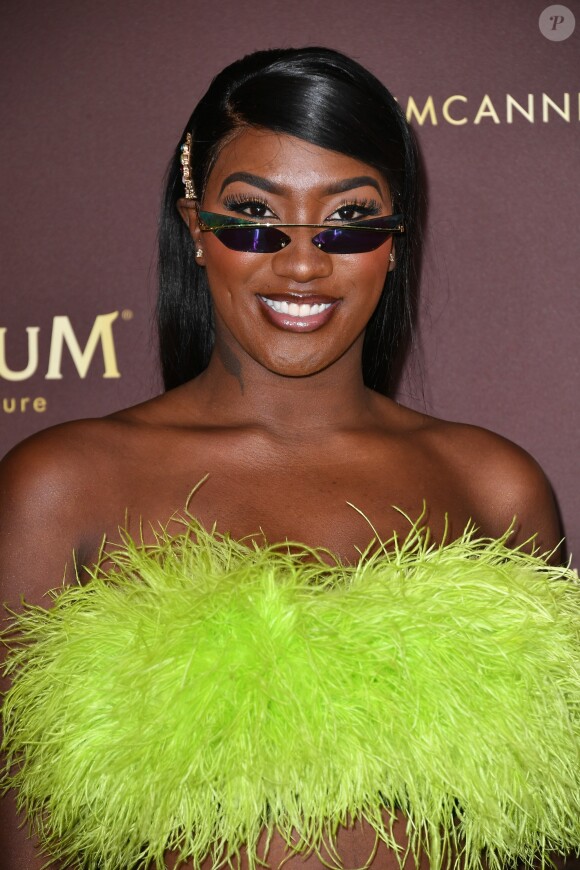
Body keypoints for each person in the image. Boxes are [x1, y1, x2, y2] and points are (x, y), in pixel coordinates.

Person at [1, 47, 577, 870]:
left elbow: (547, 833)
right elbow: (27, 839)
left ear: (393, 244)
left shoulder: (494, 486)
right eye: (253, 218)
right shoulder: (60, 487)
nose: (302, 262)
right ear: (196, 230)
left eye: (349, 221)